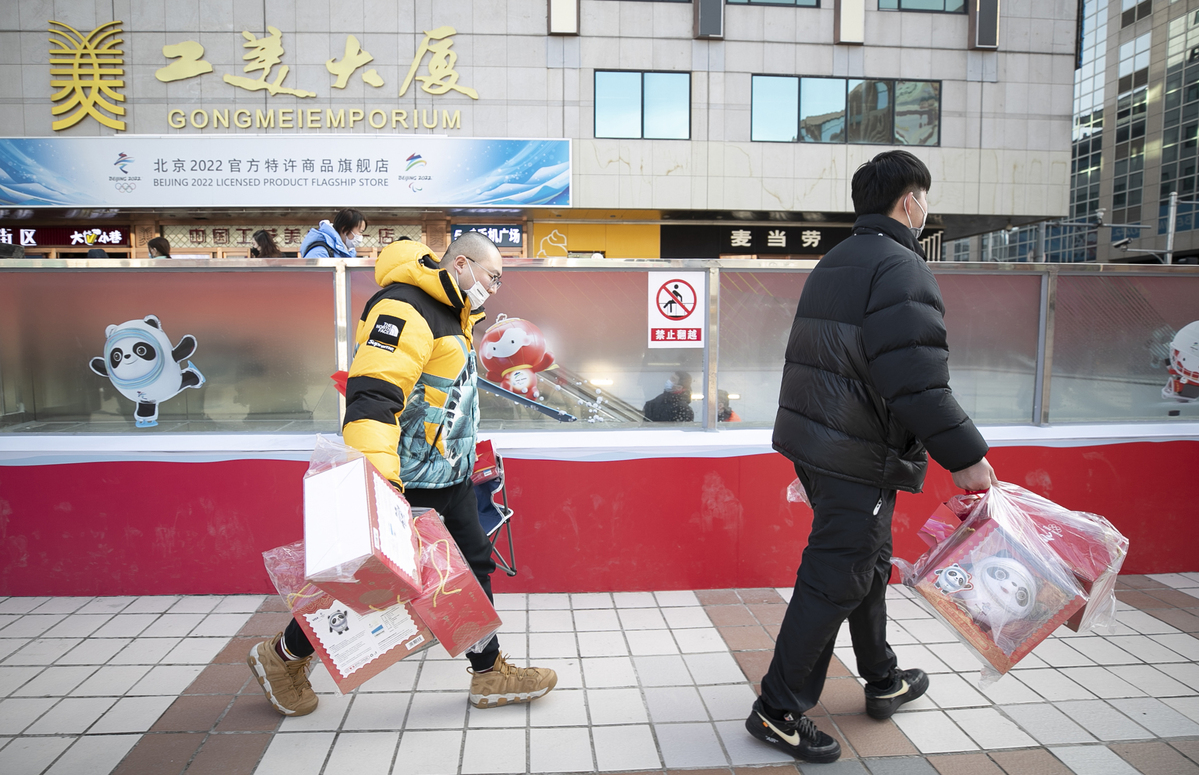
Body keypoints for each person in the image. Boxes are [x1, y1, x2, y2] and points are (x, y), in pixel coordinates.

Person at [747, 150, 998, 763]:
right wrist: (965, 455)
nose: (926, 210)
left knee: (866, 560)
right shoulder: (902, 267)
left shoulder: (837, 260)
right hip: (856, 452)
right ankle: (777, 710)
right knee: (838, 571)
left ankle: (881, 677)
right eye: (925, 199)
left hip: (822, 443)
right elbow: (914, 378)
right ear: (909, 202)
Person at [248, 231, 557, 716]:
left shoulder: (453, 312)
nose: (495, 288)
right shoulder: (404, 308)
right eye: (492, 276)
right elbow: (373, 393)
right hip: (406, 480)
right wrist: (381, 482)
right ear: (461, 264)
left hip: (447, 476)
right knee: (377, 584)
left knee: (472, 568)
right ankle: (282, 656)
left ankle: (488, 670)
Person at [300, 209, 366, 258]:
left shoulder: (347, 251)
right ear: (345, 229)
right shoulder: (320, 252)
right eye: (360, 231)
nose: (360, 236)